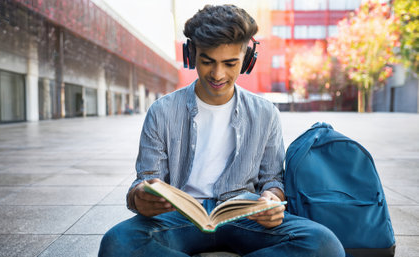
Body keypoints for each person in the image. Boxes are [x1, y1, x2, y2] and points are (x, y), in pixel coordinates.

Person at [99, 4, 345, 257]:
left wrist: (272, 199)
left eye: (230, 63)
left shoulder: (265, 112)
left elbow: (272, 178)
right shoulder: (162, 111)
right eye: (207, 62)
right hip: (179, 215)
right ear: (191, 54)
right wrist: (139, 197)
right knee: (117, 243)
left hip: (244, 214)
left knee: (324, 245)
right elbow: (147, 179)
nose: (218, 74)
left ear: (247, 60)